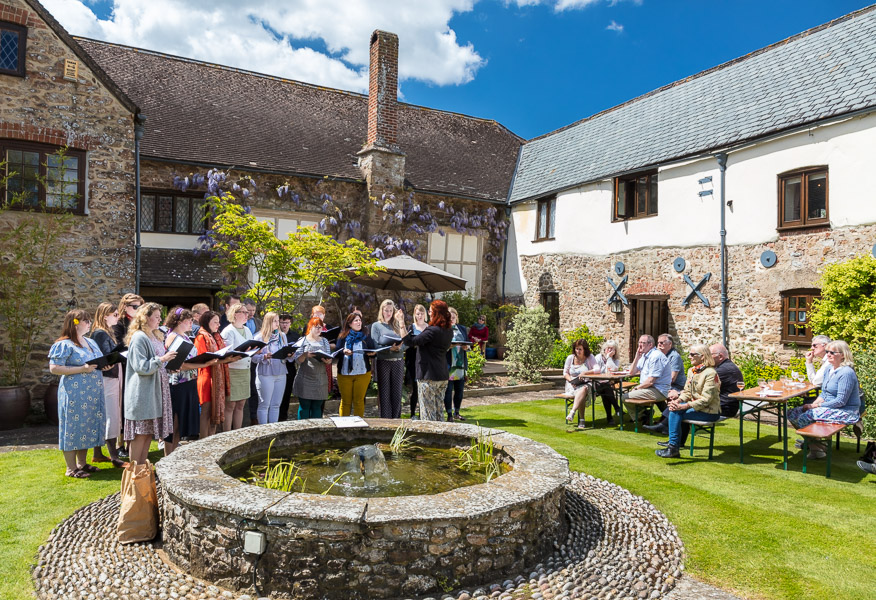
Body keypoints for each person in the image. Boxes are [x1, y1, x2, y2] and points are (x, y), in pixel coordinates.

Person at [48, 309, 107, 478]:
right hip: (74, 394)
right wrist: (82, 369)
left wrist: (106, 364)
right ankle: (71, 468)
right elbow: (54, 368)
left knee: (86, 426)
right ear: (74, 323)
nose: (89, 323)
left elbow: (97, 361)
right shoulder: (64, 344)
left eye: (89, 320)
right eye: (85, 320)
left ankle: (82, 463)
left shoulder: (90, 342)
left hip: (92, 393)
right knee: (72, 428)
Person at [123, 303, 177, 466]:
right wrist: (162, 360)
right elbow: (140, 366)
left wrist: (168, 367)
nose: (160, 319)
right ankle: (134, 473)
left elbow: (157, 363)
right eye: (156, 316)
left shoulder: (155, 335)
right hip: (143, 392)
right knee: (140, 434)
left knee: (147, 434)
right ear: (145, 318)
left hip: (155, 391)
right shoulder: (139, 337)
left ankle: (141, 471)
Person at [788, 340, 862, 460]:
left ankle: (815, 447)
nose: (828, 355)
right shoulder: (829, 369)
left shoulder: (846, 373)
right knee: (792, 413)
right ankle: (817, 446)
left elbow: (840, 401)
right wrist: (813, 404)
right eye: (827, 351)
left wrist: (815, 407)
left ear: (842, 355)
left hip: (846, 411)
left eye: (832, 352)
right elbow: (824, 393)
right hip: (829, 407)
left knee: (805, 417)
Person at [655, 344, 721, 458]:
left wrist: (684, 406)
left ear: (702, 357)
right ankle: (673, 445)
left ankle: (673, 446)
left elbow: (706, 399)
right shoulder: (692, 371)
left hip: (710, 412)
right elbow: (687, 392)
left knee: (675, 411)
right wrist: (678, 400)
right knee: (674, 409)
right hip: (697, 409)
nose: (689, 357)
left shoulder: (711, 373)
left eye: (692, 354)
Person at [163, 307, 204, 454]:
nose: (191, 323)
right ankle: (167, 457)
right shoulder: (173, 336)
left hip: (188, 381)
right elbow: (177, 363)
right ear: (179, 321)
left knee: (181, 424)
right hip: (177, 383)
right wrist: (203, 364)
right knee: (173, 423)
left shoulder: (185, 336)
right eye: (189, 320)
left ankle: (173, 455)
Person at [88, 302, 125, 467]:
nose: (118, 317)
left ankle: (98, 453)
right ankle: (114, 456)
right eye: (115, 314)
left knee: (107, 414)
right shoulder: (100, 334)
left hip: (112, 375)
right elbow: (105, 355)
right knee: (111, 415)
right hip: (107, 377)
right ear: (105, 316)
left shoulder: (106, 332)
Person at [407, 300, 454, 421]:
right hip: (442, 375)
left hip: (429, 377)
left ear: (436, 313)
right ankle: (441, 438)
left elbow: (410, 342)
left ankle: (430, 439)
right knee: (439, 412)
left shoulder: (432, 331)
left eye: (430, 311)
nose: (429, 313)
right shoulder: (448, 331)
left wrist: (401, 323)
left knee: (428, 414)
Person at [193, 311, 235, 438]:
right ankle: (203, 440)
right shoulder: (201, 337)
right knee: (206, 412)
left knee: (214, 412)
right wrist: (225, 360)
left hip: (217, 376)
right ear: (207, 322)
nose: (218, 325)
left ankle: (211, 438)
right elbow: (202, 358)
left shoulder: (216, 336)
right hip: (206, 377)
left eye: (219, 322)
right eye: (215, 322)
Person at [221, 303, 256, 431]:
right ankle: (227, 433)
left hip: (245, 370)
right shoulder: (228, 331)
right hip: (233, 370)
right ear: (235, 314)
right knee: (230, 405)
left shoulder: (247, 329)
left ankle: (237, 432)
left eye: (247, 313)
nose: (247, 315)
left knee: (241, 404)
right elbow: (227, 352)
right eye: (244, 312)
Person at [643, 334, 688, 434]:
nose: (659, 345)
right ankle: (648, 417)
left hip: (676, 386)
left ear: (670, 344)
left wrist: (656, 383)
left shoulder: (674, 357)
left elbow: (672, 378)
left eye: (662, 343)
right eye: (658, 342)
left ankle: (663, 423)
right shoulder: (660, 355)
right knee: (653, 392)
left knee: (658, 392)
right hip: (665, 385)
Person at [623, 335, 672, 426]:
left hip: (658, 390)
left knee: (625, 397)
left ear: (650, 345)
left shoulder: (656, 356)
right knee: (627, 395)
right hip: (649, 388)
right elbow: (631, 372)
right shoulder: (645, 356)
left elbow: (651, 381)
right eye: (639, 342)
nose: (640, 345)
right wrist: (637, 356)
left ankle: (643, 415)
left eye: (643, 343)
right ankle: (645, 414)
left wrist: (637, 388)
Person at [335, 312, 377, 417]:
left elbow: (372, 350)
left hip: (362, 373)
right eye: (356, 320)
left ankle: (358, 426)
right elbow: (336, 352)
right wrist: (343, 352)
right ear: (349, 324)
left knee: (359, 401)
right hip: (345, 373)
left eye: (360, 320)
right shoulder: (342, 336)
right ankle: (344, 425)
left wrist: (373, 354)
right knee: (346, 401)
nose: (359, 322)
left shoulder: (366, 336)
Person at [371, 299, 407, 419]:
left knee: (397, 394)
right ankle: (385, 420)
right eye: (386, 310)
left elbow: (406, 342)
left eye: (391, 311)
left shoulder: (397, 325)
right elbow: (375, 345)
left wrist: (399, 348)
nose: (388, 313)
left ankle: (396, 420)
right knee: (384, 394)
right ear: (382, 310)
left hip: (398, 362)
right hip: (383, 362)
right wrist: (389, 349)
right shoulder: (376, 326)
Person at [252, 312, 290, 424]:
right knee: (264, 404)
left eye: (278, 321)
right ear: (268, 322)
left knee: (276, 404)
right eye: (275, 321)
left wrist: (289, 355)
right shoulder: (259, 337)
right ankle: (263, 431)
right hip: (266, 373)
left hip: (280, 372)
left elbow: (286, 352)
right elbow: (253, 357)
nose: (277, 324)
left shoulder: (282, 336)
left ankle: (274, 430)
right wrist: (264, 356)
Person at [292, 317, 332, 419]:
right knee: (304, 407)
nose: (319, 330)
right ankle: (302, 431)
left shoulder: (324, 341)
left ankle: (316, 432)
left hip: (320, 379)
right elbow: (297, 360)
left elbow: (329, 358)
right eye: (316, 327)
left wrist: (327, 360)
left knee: (317, 407)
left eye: (320, 327)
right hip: (305, 378)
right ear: (310, 327)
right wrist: (305, 355)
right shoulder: (302, 340)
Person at [444, 307, 471, 422]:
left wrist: (467, 347)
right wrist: (448, 347)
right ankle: (449, 415)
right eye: (450, 316)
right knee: (448, 391)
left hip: (460, 365)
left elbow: (468, 344)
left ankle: (457, 412)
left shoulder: (462, 329)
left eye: (454, 315)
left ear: (456, 317)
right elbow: (441, 347)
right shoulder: (444, 330)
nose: (452, 317)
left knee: (459, 391)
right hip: (449, 365)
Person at [563, 339, 598, 428]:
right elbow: (565, 373)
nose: (577, 351)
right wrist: (571, 380)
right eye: (576, 349)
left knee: (584, 389)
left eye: (580, 349)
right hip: (572, 385)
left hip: (586, 383)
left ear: (584, 350)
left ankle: (572, 412)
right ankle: (581, 419)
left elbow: (597, 369)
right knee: (581, 391)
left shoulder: (590, 357)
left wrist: (585, 373)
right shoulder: (570, 358)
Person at [405, 304, 428, 418]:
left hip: (426, 361)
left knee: (425, 389)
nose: (420, 316)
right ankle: (413, 413)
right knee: (415, 388)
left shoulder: (429, 327)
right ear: (415, 315)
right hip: (414, 361)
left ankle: (423, 413)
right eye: (418, 314)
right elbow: (407, 342)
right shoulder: (411, 327)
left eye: (422, 313)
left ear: (425, 314)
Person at [709, 343, 745, 418]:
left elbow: (702, 386)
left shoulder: (723, 370)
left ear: (720, 356)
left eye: (710, 354)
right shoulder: (727, 366)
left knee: (681, 410)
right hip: (729, 405)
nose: (706, 357)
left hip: (724, 408)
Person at [590, 340, 621, 425]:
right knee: (606, 387)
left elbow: (614, 369)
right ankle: (617, 408)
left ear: (615, 351)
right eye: (608, 348)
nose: (610, 350)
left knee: (606, 391)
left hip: (607, 385)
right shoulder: (598, 358)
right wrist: (607, 358)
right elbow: (596, 372)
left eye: (612, 349)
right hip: (596, 384)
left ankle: (610, 417)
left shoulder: (616, 360)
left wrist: (609, 358)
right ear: (604, 349)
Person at [277, 313, 297, 421]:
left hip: (290, 368)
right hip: (277, 367)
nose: (284, 325)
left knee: (286, 394)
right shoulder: (276, 335)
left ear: (290, 323)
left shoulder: (295, 336)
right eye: (282, 322)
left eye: (287, 322)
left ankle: (283, 417)